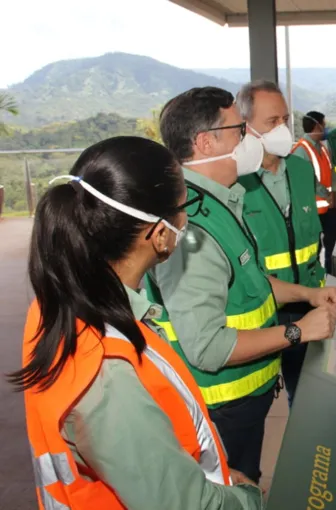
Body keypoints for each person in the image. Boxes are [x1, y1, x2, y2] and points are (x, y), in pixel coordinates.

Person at [11, 136, 264, 509]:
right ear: (160, 234)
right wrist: (247, 499)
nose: (187, 217)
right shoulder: (108, 375)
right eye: (185, 205)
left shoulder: (63, 300)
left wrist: (218, 479)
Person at [147, 86, 336, 484]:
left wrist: (306, 294)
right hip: (219, 408)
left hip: (240, 402)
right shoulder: (192, 230)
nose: (250, 138)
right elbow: (207, 346)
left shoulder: (216, 202)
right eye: (239, 129)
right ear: (205, 142)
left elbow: (249, 283)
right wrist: (297, 331)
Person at [236, 82, 336, 409]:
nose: (282, 129)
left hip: (308, 302)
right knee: (256, 403)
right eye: (271, 122)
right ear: (246, 127)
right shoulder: (234, 180)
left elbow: (313, 239)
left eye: (285, 119)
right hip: (259, 312)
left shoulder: (300, 168)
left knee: (307, 400)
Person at [291, 110, 336, 274]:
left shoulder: (323, 149)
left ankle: (331, 275)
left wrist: (334, 192)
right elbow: (308, 180)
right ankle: (313, 280)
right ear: (316, 125)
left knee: (333, 245)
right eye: (323, 125)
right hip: (311, 210)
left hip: (329, 208)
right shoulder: (300, 150)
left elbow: (332, 172)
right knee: (313, 249)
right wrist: (327, 195)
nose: (325, 128)